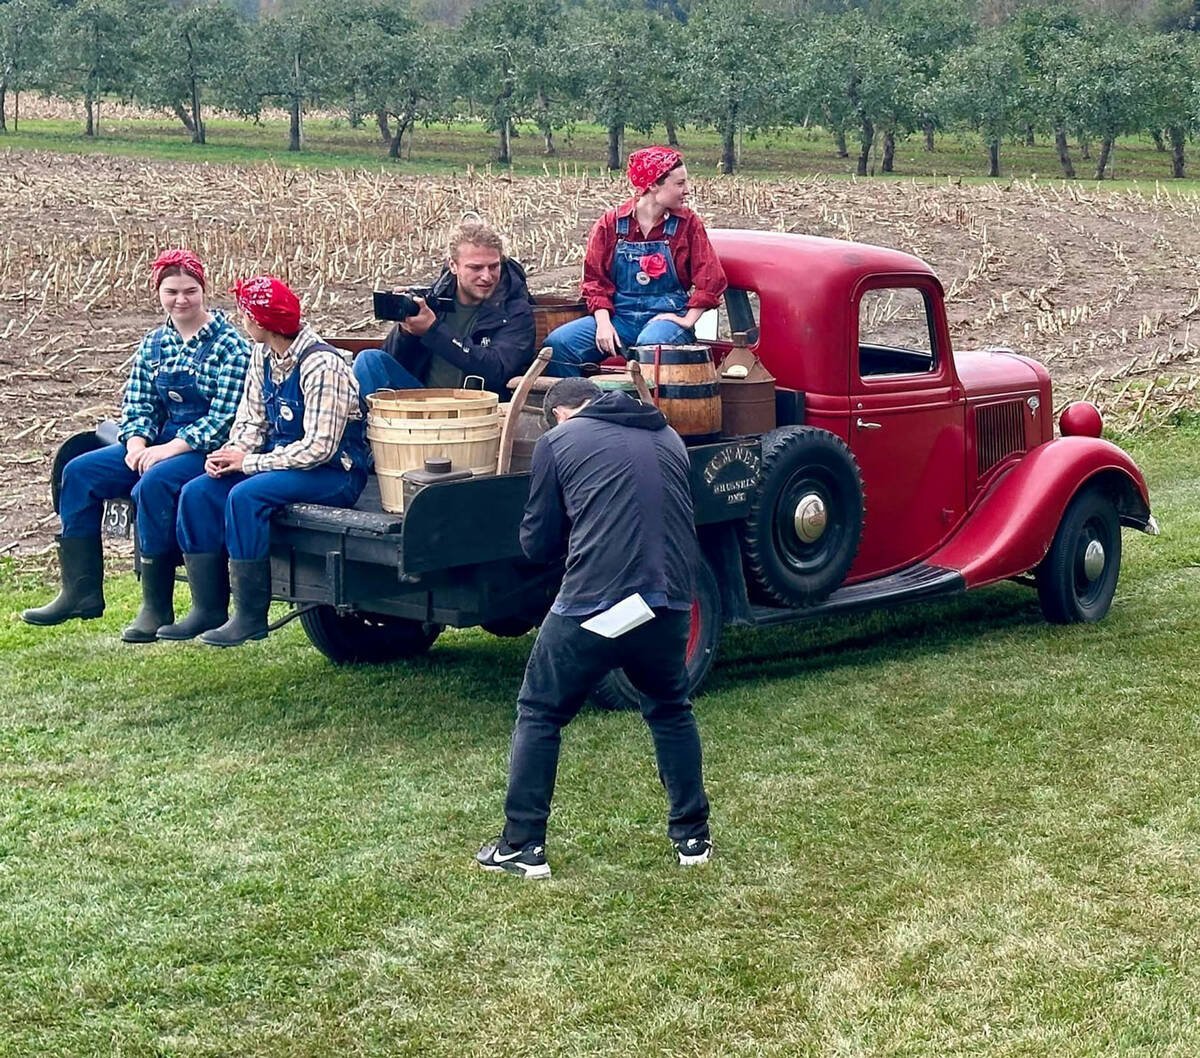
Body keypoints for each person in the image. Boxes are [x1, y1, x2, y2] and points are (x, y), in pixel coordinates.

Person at [477, 377, 713, 880]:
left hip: (596, 601)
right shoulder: (669, 436)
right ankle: (693, 838)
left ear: (563, 413)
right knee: (670, 709)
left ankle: (522, 846)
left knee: (540, 711)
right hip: (671, 599)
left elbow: (538, 543)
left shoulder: (558, 440)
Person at [21, 249, 250, 643]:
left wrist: (166, 450)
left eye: (190, 291)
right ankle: (80, 591)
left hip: (205, 448)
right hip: (156, 442)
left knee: (153, 484)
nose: (181, 300)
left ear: (204, 291)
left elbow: (224, 419)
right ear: (158, 292)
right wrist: (136, 442)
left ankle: (156, 605)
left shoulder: (230, 346)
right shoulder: (155, 343)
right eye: (171, 291)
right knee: (80, 472)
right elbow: (139, 403)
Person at [166, 275, 368, 648]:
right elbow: (251, 420)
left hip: (333, 473)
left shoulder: (322, 365)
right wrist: (229, 455)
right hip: (282, 460)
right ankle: (207, 607)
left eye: (245, 314)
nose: (241, 320)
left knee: (247, 497)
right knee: (198, 492)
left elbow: (319, 448)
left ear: (261, 322)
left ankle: (250, 616)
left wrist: (249, 464)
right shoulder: (262, 355)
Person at [543, 146, 727, 377]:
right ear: (653, 185)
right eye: (680, 184)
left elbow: (711, 279)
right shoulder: (611, 223)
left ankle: (648, 402)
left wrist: (687, 320)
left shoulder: (688, 224)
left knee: (650, 347)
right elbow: (594, 281)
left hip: (665, 319)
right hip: (620, 317)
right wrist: (603, 324)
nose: (687, 190)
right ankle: (580, 400)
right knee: (559, 345)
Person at [353, 220, 536, 399]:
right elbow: (392, 362)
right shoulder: (433, 301)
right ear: (453, 265)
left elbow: (497, 369)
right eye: (476, 268)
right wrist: (406, 331)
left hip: (479, 408)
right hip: (421, 402)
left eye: (494, 266)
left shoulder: (515, 311)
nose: (487, 276)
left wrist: (433, 330)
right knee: (368, 360)